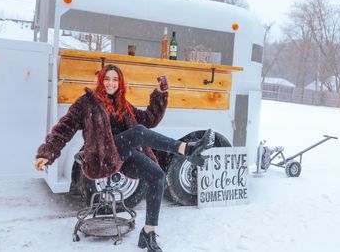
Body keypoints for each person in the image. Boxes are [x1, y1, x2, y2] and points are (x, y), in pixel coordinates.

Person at [35, 64, 215, 252]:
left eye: (115, 80)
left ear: (119, 83)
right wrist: (47, 153)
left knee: (157, 176)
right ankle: (186, 149)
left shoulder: (123, 105)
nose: (110, 83)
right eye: (107, 79)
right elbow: (65, 128)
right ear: (100, 81)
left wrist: (160, 95)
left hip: (121, 156)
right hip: (101, 157)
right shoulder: (86, 103)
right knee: (138, 133)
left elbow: (148, 120)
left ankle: (148, 233)